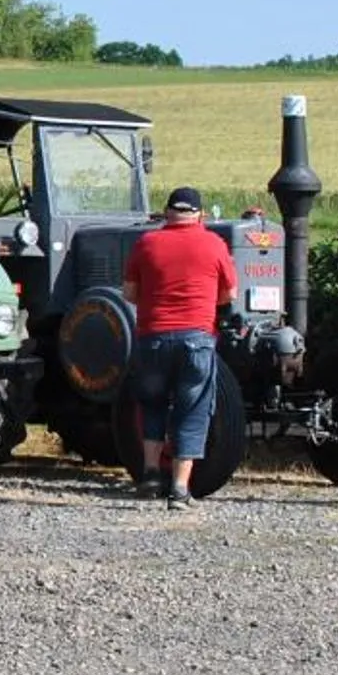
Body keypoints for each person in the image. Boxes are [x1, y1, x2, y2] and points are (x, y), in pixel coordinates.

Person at [122, 185, 238, 508]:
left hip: (153, 338)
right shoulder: (214, 244)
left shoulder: (146, 243)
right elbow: (229, 294)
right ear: (199, 215)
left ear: (167, 212)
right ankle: (178, 489)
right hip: (196, 340)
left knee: (153, 404)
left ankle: (149, 474)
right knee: (193, 409)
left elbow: (129, 294)